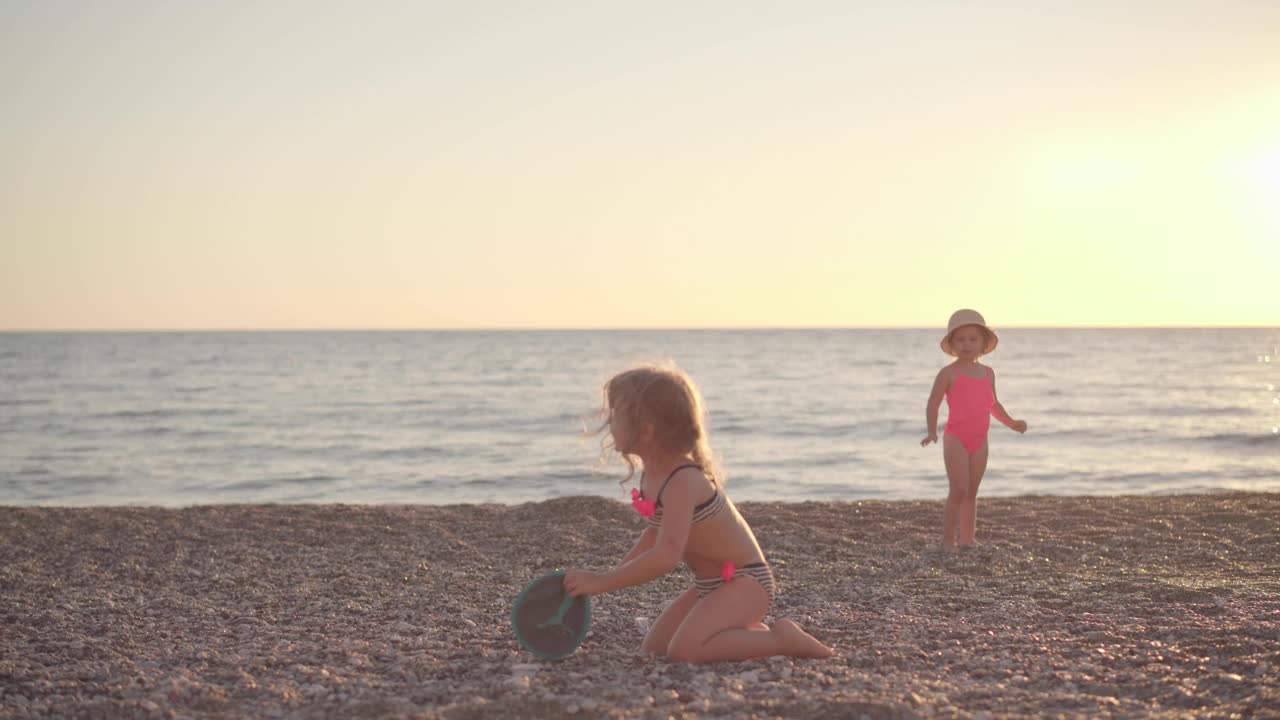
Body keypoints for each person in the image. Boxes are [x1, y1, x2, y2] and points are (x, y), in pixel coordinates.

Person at [563, 364, 833, 663]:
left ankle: (782, 640)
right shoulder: (653, 475)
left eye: (615, 415)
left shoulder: (683, 480)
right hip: (712, 585)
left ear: (646, 431)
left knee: (684, 652)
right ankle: (741, 633)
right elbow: (654, 534)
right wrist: (608, 577)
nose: (609, 423)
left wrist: (603, 583)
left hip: (746, 582)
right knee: (655, 649)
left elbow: (666, 555)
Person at [921, 309, 1028, 551]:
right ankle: (948, 541)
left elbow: (993, 404)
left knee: (971, 492)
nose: (966, 344)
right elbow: (933, 402)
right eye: (960, 339)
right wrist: (932, 431)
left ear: (982, 343)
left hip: (980, 440)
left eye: (972, 339)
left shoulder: (988, 373)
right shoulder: (948, 373)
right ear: (952, 343)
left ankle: (968, 540)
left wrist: (1012, 423)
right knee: (958, 489)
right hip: (956, 438)